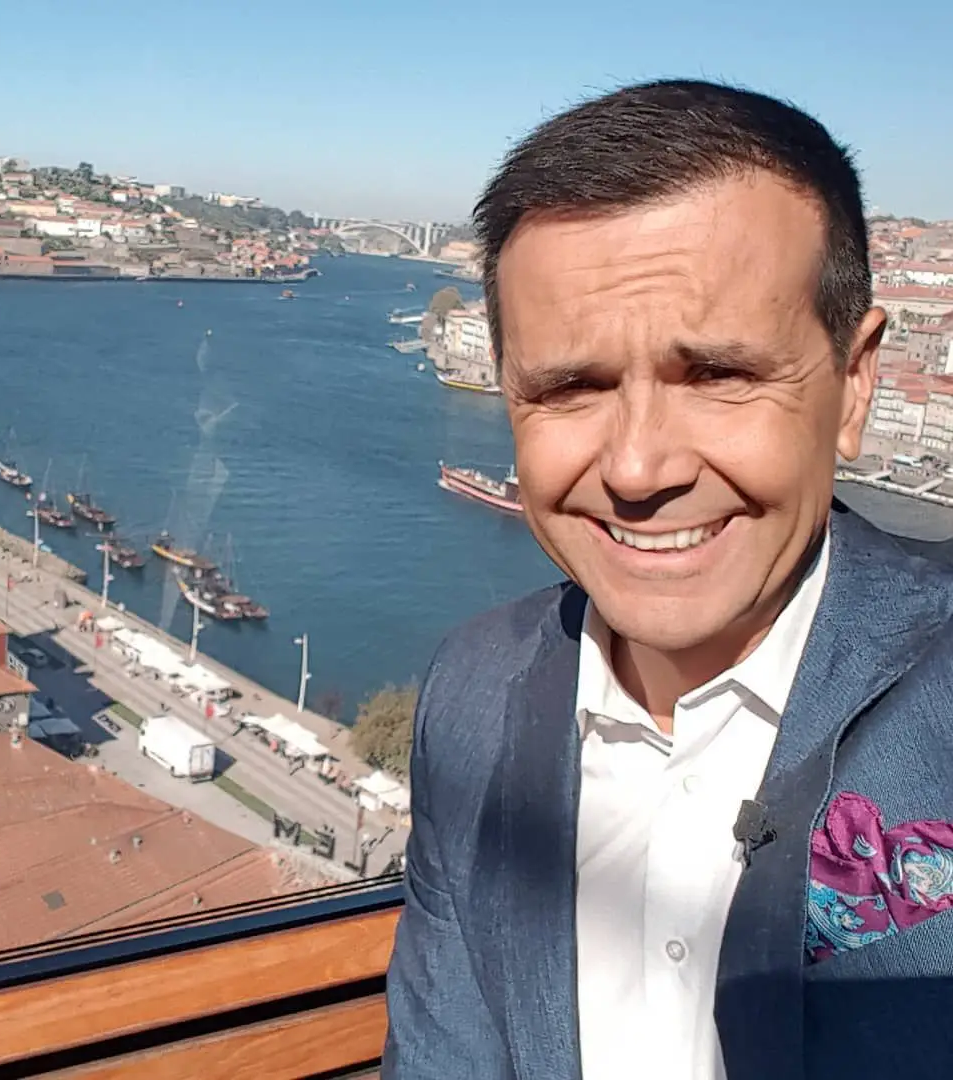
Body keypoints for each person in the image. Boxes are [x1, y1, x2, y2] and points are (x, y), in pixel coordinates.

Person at [382, 80, 953, 1079]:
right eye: (571, 387)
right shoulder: (468, 695)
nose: (639, 468)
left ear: (854, 384)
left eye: (720, 376)